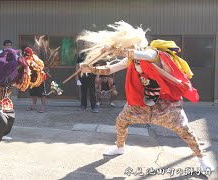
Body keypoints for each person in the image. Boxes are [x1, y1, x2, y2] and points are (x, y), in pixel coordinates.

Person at [78, 21, 214, 172]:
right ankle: (120, 147)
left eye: (129, 45)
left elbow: (135, 54)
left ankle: (202, 160)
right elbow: (110, 69)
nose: (127, 48)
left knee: (185, 131)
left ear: (137, 44)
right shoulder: (132, 58)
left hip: (165, 104)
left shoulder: (152, 54)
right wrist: (91, 68)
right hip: (142, 103)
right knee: (121, 121)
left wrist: (115, 50)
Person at [76, 42, 98, 113]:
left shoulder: (93, 54)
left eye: (87, 43)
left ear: (90, 44)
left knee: (92, 92)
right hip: (82, 76)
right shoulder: (81, 54)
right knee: (83, 91)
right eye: (85, 43)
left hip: (91, 75)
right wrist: (77, 77)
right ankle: (83, 105)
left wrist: (97, 76)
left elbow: (97, 66)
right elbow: (77, 65)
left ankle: (93, 107)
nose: (86, 45)